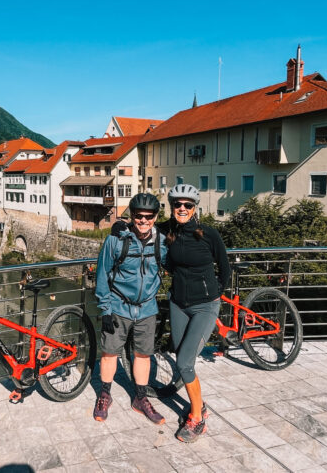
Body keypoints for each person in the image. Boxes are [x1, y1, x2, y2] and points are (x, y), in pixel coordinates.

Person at [160, 184, 230, 442]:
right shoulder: (169, 232)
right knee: (181, 354)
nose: (181, 208)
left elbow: (225, 269)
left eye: (187, 205)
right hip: (178, 303)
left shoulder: (209, 234)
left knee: (185, 363)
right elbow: (141, 225)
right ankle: (199, 402)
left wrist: (213, 296)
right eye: (177, 204)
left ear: (194, 208)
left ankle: (197, 418)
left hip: (204, 306)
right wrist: (120, 227)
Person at [93, 193, 168, 425]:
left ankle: (140, 398)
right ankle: (104, 395)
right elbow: (102, 273)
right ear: (131, 216)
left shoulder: (162, 242)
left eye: (148, 216)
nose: (143, 221)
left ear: (155, 217)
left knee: (143, 355)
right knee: (109, 353)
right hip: (118, 306)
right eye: (138, 216)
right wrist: (105, 309)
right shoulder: (115, 240)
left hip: (147, 308)